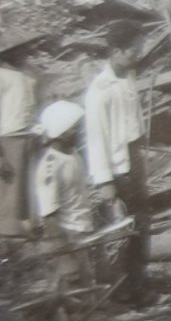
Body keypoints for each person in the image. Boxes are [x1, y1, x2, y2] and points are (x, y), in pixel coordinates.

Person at [85, 21, 153, 304]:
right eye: (130, 52)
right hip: (117, 169)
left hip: (134, 162)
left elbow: (134, 125)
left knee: (140, 226)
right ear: (115, 51)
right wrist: (105, 183)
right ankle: (121, 290)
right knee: (121, 231)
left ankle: (137, 284)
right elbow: (96, 139)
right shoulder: (99, 90)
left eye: (138, 51)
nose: (135, 56)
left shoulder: (128, 79)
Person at [33, 100, 94, 295]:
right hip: (68, 235)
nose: (81, 131)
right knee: (69, 288)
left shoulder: (73, 154)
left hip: (83, 228)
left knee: (87, 284)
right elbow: (49, 215)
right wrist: (63, 252)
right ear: (61, 131)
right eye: (76, 128)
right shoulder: (50, 167)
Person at [0, 28, 42, 240]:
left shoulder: (28, 74)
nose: (26, 52)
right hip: (9, 137)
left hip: (29, 134)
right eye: (21, 50)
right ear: (8, 53)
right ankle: (7, 234)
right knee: (10, 187)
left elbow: (33, 104)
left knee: (29, 184)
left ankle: (29, 227)